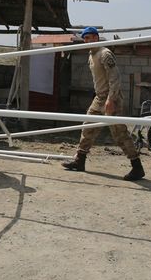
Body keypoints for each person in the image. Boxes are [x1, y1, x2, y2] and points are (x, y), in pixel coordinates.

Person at [61, 27, 144, 181]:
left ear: (96, 38)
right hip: (99, 97)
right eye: (85, 38)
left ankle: (137, 166)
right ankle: (80, 161)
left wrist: (111, 100)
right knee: (88, 127)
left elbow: (115, 77)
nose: (87, 41)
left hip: (111, 98)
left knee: (119, 133)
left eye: (90, 38)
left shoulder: (105, 54)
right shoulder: (91, 55)